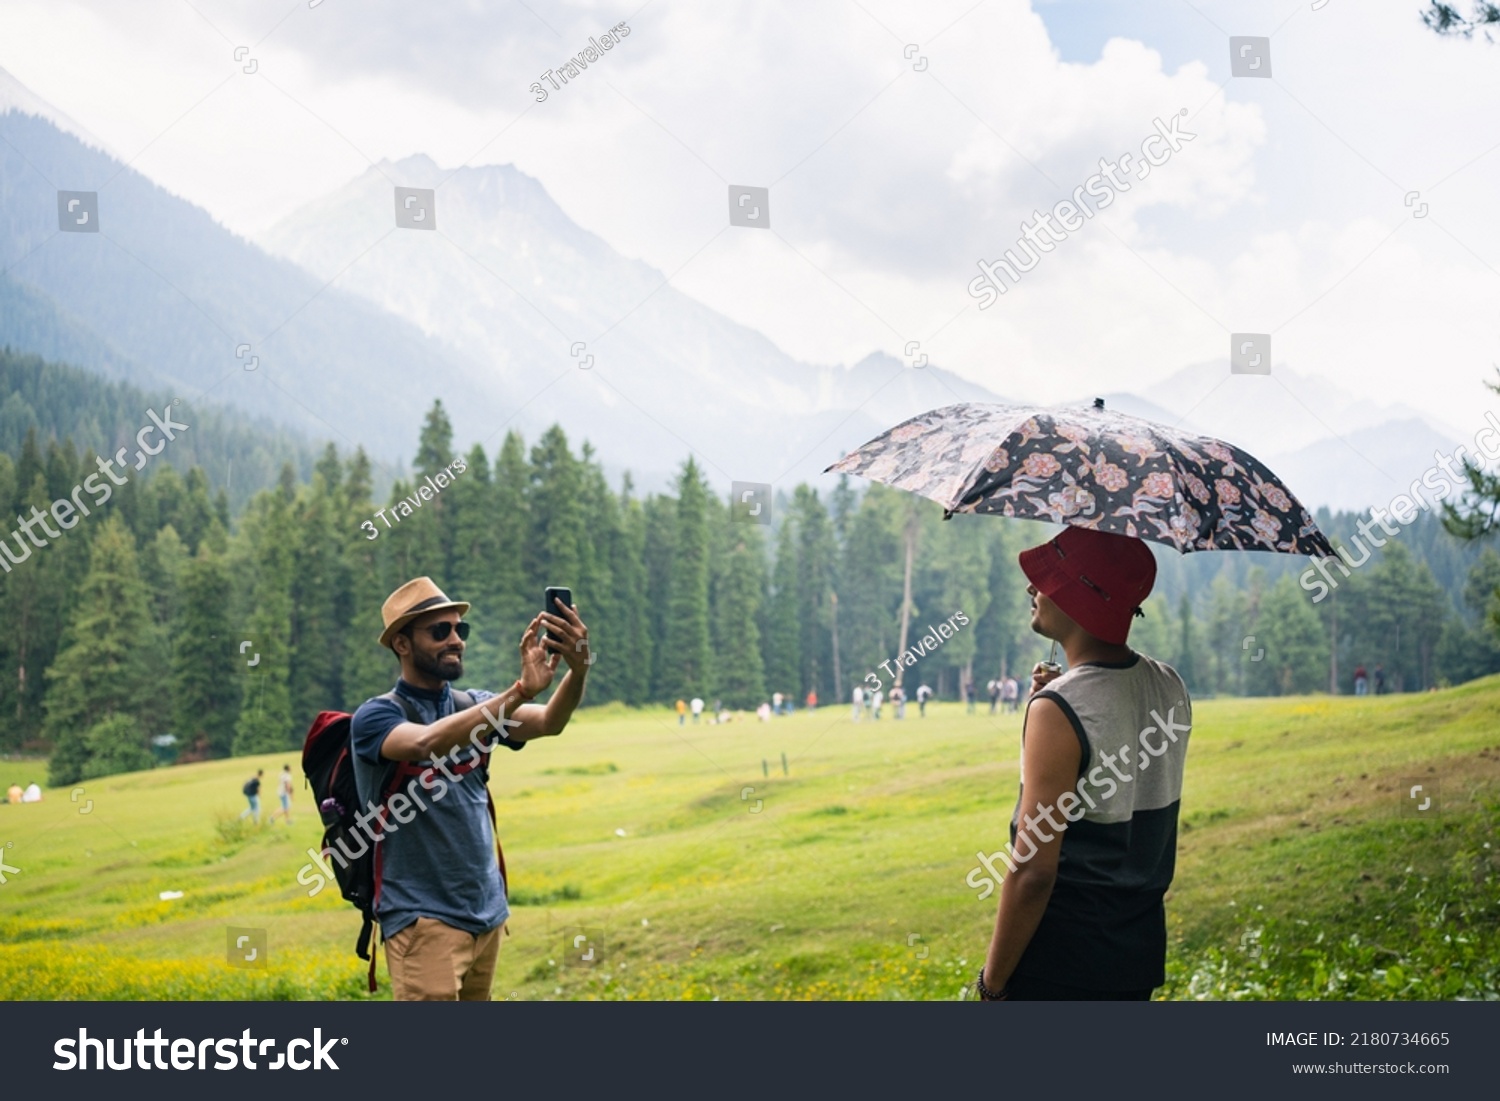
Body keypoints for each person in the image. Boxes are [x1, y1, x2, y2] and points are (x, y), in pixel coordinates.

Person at [350, 576, 590, 1001]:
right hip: (422, 922)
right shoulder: (374, 718)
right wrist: (517, 692)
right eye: (439, 631)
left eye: (461, 629)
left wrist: (579, 667)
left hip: (487, 916)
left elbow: (550, 722)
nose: (456, 640)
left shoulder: (472, 704)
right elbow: (426, 742)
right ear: (401, 645)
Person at [977, 526, 1190, 1003]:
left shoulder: (1062, 707)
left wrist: (991, 984)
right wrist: (1053, 702)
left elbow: (1033, 872)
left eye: (1048, 579)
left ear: (1080, 597)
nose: (1033, 589)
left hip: (1058, 967)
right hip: (1134, 960)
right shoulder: (1169, 685)